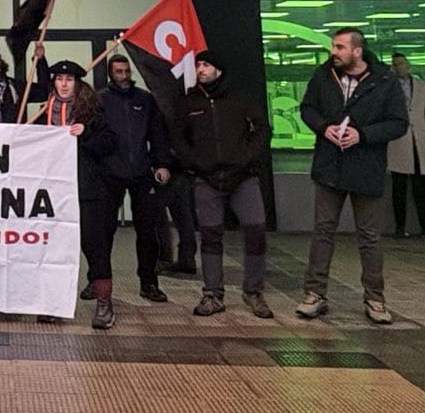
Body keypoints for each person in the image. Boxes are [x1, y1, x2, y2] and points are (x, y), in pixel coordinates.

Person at [295, 28, 408, 325]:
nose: (334, 52)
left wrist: (364, 135)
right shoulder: (323, 76)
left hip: (366, 167)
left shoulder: (384, 81)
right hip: (329, 165)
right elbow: (307, 108)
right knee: (323, 231)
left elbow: (398, 123)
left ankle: (375, 298)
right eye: (334, 46)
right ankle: (314, 294)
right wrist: (323, 127)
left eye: (340, 47)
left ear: (357, 51)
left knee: (369, 236)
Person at [170, 50, 273, 319]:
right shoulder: (189, 101)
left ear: (219, 69)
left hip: (243, 176)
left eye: (206, 64)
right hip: (206, 179)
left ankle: (253, 291)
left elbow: (262, 129)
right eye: (198, 65)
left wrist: (247, 156)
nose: (200, 69)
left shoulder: (240, 97)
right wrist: (193, 161)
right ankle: (213, 294)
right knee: (211, 235)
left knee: (255, 230)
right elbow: (178, 137)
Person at [36, 59, 119, 329]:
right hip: (53, 193)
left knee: (95, 247)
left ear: (77, 83)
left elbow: (110, 145)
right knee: (53, 249)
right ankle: (52, 304)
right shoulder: (43, 112)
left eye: (69, 79)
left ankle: (105, 304)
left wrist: (85, 135)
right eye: (59, 79)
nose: (63, 84)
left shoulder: (92, 112)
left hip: (88, 191)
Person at [97, 54, 174, 303]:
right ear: (111, 74)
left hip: (142, 172)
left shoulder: (145, 99)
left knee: (147, 231)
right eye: (118, 71)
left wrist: (162, 163)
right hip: (111, 173)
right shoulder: (101, 100)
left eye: (126, 70)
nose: (123, 75)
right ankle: (97, 281)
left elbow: (158, 134)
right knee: (104, 231)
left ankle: (149, 282)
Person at [387, 52, 425, 238]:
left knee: (420, 186)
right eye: (395, 64)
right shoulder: (388, 87)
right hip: (398, 140)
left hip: (418, 138)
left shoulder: (421, 86)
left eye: (401, 64)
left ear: (408, 65)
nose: (398, 67)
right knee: (399, 186)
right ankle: (400, 227)